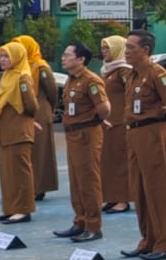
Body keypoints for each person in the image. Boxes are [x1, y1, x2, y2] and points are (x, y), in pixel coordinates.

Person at [115, 30, 166, 260]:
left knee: (157, 189)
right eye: (126, 48)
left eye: (131, 48)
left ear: (145, 50)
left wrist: (164, 121)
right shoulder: (133, 75)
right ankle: (149, 240)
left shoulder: (156, 73)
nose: (127, 52)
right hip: (135, 134)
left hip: (153, 132)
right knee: (139, 189)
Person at [54, 42, 110, 244]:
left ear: (80, 59)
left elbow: (104, 107)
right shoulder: (71, 80)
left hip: (87, 134)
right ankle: (80, 221)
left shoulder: (91, 80)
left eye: (67, 55)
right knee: (76, 181)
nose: (63, 57)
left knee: (88, 181)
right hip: (73, 135)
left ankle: (93, 226)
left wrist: (94, 121)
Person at [0, 40, 39, 225]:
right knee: (7, 173)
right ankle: (9, 208)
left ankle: (23, 209)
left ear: (17, 57)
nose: (2, 60)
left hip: (19, 131)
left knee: (20, 172)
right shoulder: (7, 76)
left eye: (7, 56)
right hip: (7, 131)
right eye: (1, 56)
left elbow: (32, 106)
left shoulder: (23, 78)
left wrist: (27, 119)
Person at [13, 34, 60, 203]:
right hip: (25, 113)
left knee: (40, 152)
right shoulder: (18, 68)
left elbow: (52, 91)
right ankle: (28, 186)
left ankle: (39, 187)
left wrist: (49, 109)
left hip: (40, 112)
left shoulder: (40, 68)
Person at [99, 36, 132, 215]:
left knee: (121, 161)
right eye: (103, 48)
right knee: (107, 161)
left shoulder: (124, 71)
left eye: (107, 48)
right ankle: (111, 196)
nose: (104, 52)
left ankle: (122, 199)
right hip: (108, 123)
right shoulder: (107, 71)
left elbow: (131, 94)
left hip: (120, 122)